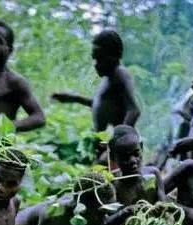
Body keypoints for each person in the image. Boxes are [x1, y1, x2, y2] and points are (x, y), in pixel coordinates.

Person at [52, 29, 140, 162]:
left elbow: (133, 110)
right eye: (94, 59)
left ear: (116, 56)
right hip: (104, 146)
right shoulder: (108, 79)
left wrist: (118, 141)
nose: (96, 64)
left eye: (100, 59)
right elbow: (104, 105)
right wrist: (73, 98)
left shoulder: (120, 75)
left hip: (120, 153)